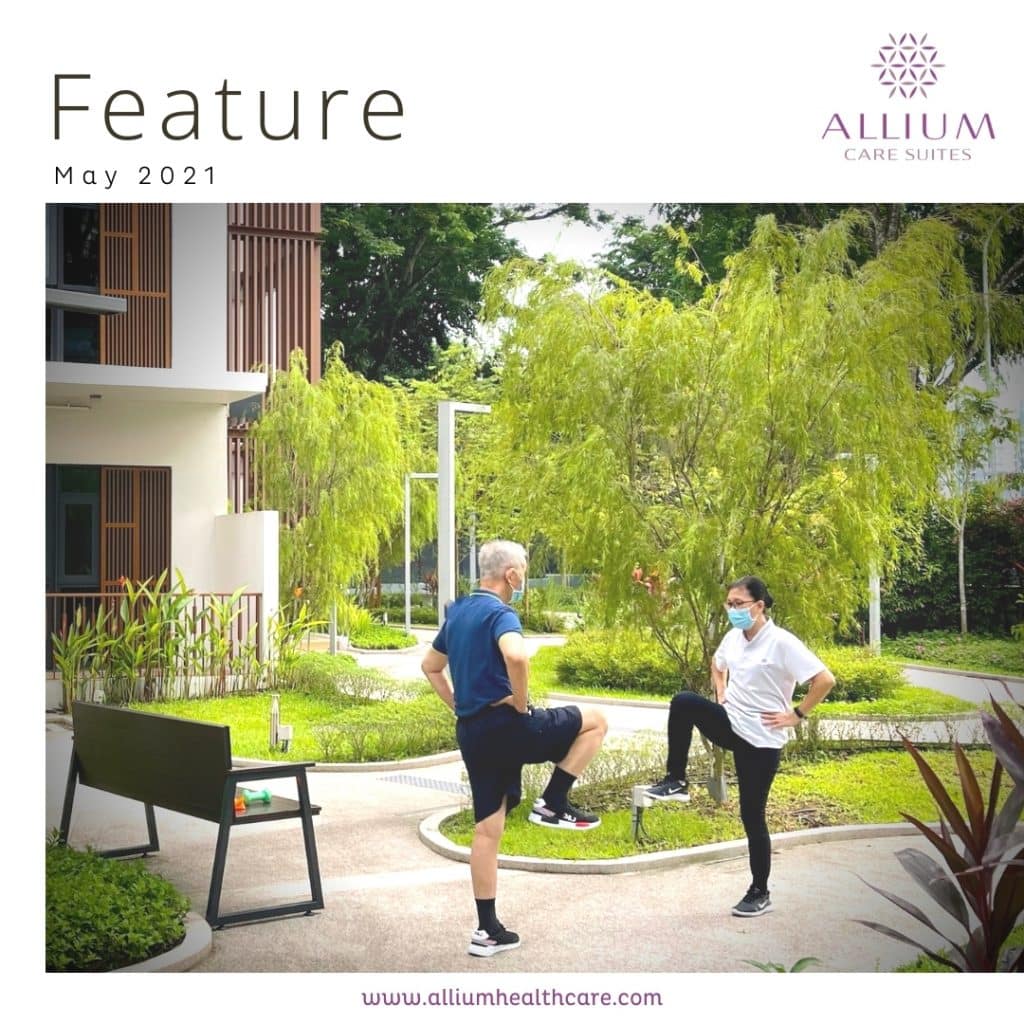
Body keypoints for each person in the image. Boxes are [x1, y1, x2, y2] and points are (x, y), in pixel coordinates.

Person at [422, 540, 608, 957]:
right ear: (510, 575)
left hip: (473, 731)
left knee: (488, 829)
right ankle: (554, 802)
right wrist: (521, 705)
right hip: (507, 726)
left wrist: (460, 705)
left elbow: (430, 667)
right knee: (596, 721)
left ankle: (487, 931)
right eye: (522, 569)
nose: (523, 576)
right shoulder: (500, 613)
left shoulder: (460, 612)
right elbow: (517, 658)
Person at [645, 575, 835, 917]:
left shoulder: (781, 643)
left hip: (762, 741)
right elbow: (718, 665)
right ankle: (676, 779)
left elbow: (825, 680)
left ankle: (759, 891)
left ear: (759, 606)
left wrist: (797, 715)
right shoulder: (734, 638)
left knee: (752, 815)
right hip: (732, 724)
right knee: (684, 702)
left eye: (738, 604)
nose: (732, 610)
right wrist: (722, 692)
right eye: (728, 604)